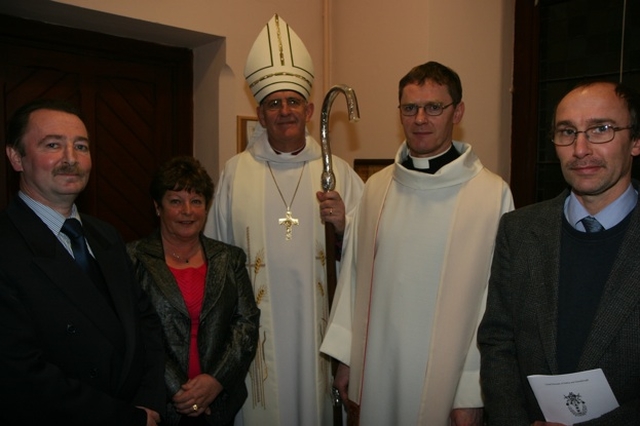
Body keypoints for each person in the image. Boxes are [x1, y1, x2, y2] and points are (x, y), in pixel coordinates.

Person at [320, 61, 514, 425]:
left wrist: (471, 393)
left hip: (449, 382)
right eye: (410, 108)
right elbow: (353, 280)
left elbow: (495, 304)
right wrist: (347, 360)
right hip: (378, 371)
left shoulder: (491, 195)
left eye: (433, 107)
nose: (420, 118)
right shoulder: (377, 189)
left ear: (457, 111)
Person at [203, 14, 364, 426]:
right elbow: (215, 259)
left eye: (293, 101)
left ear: (310, 110)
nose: (285, 110)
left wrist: (346, 227)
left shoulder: (338, 172)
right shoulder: (236, 172)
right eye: (274, 103)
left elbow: (370, 256)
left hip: (321, 333)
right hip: (255, 337)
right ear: (260, 113)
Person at [478, 81, 640, 425]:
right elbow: (497, 342)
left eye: (601, 129)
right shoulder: (518, 231)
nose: (580, 149)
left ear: (636, 141)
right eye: (567, 132)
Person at [0, 98, 165, 426]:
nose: (70, 159)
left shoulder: (105, 235)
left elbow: (145, 323)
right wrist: (126, 418)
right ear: (16, 157)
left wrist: (149, 404)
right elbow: (18, 373)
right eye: (52, 145)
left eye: (81, 146)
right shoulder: (7, 244)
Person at [127, 156, 260, 426]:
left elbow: (246, 325)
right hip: (158, 405)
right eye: (175, 201)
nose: (188, 210)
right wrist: (177, 388)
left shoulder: (229, 259)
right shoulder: (133, 258)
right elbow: (132, 332)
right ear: (157, 207)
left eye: (196, 201)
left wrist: (215, 381)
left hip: (219, 405)